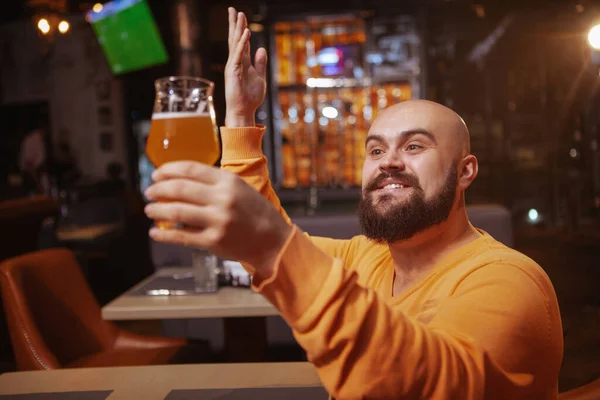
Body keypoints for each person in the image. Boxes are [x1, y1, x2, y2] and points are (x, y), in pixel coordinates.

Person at [143, 8, 563, 399]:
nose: (389, 163)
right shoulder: (367, 258)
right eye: (376, 151)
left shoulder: (509, 281)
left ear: (466, 170)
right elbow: (259, 242)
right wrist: (239, 114)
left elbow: (428, 383)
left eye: (414, 145)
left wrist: (274, 246)